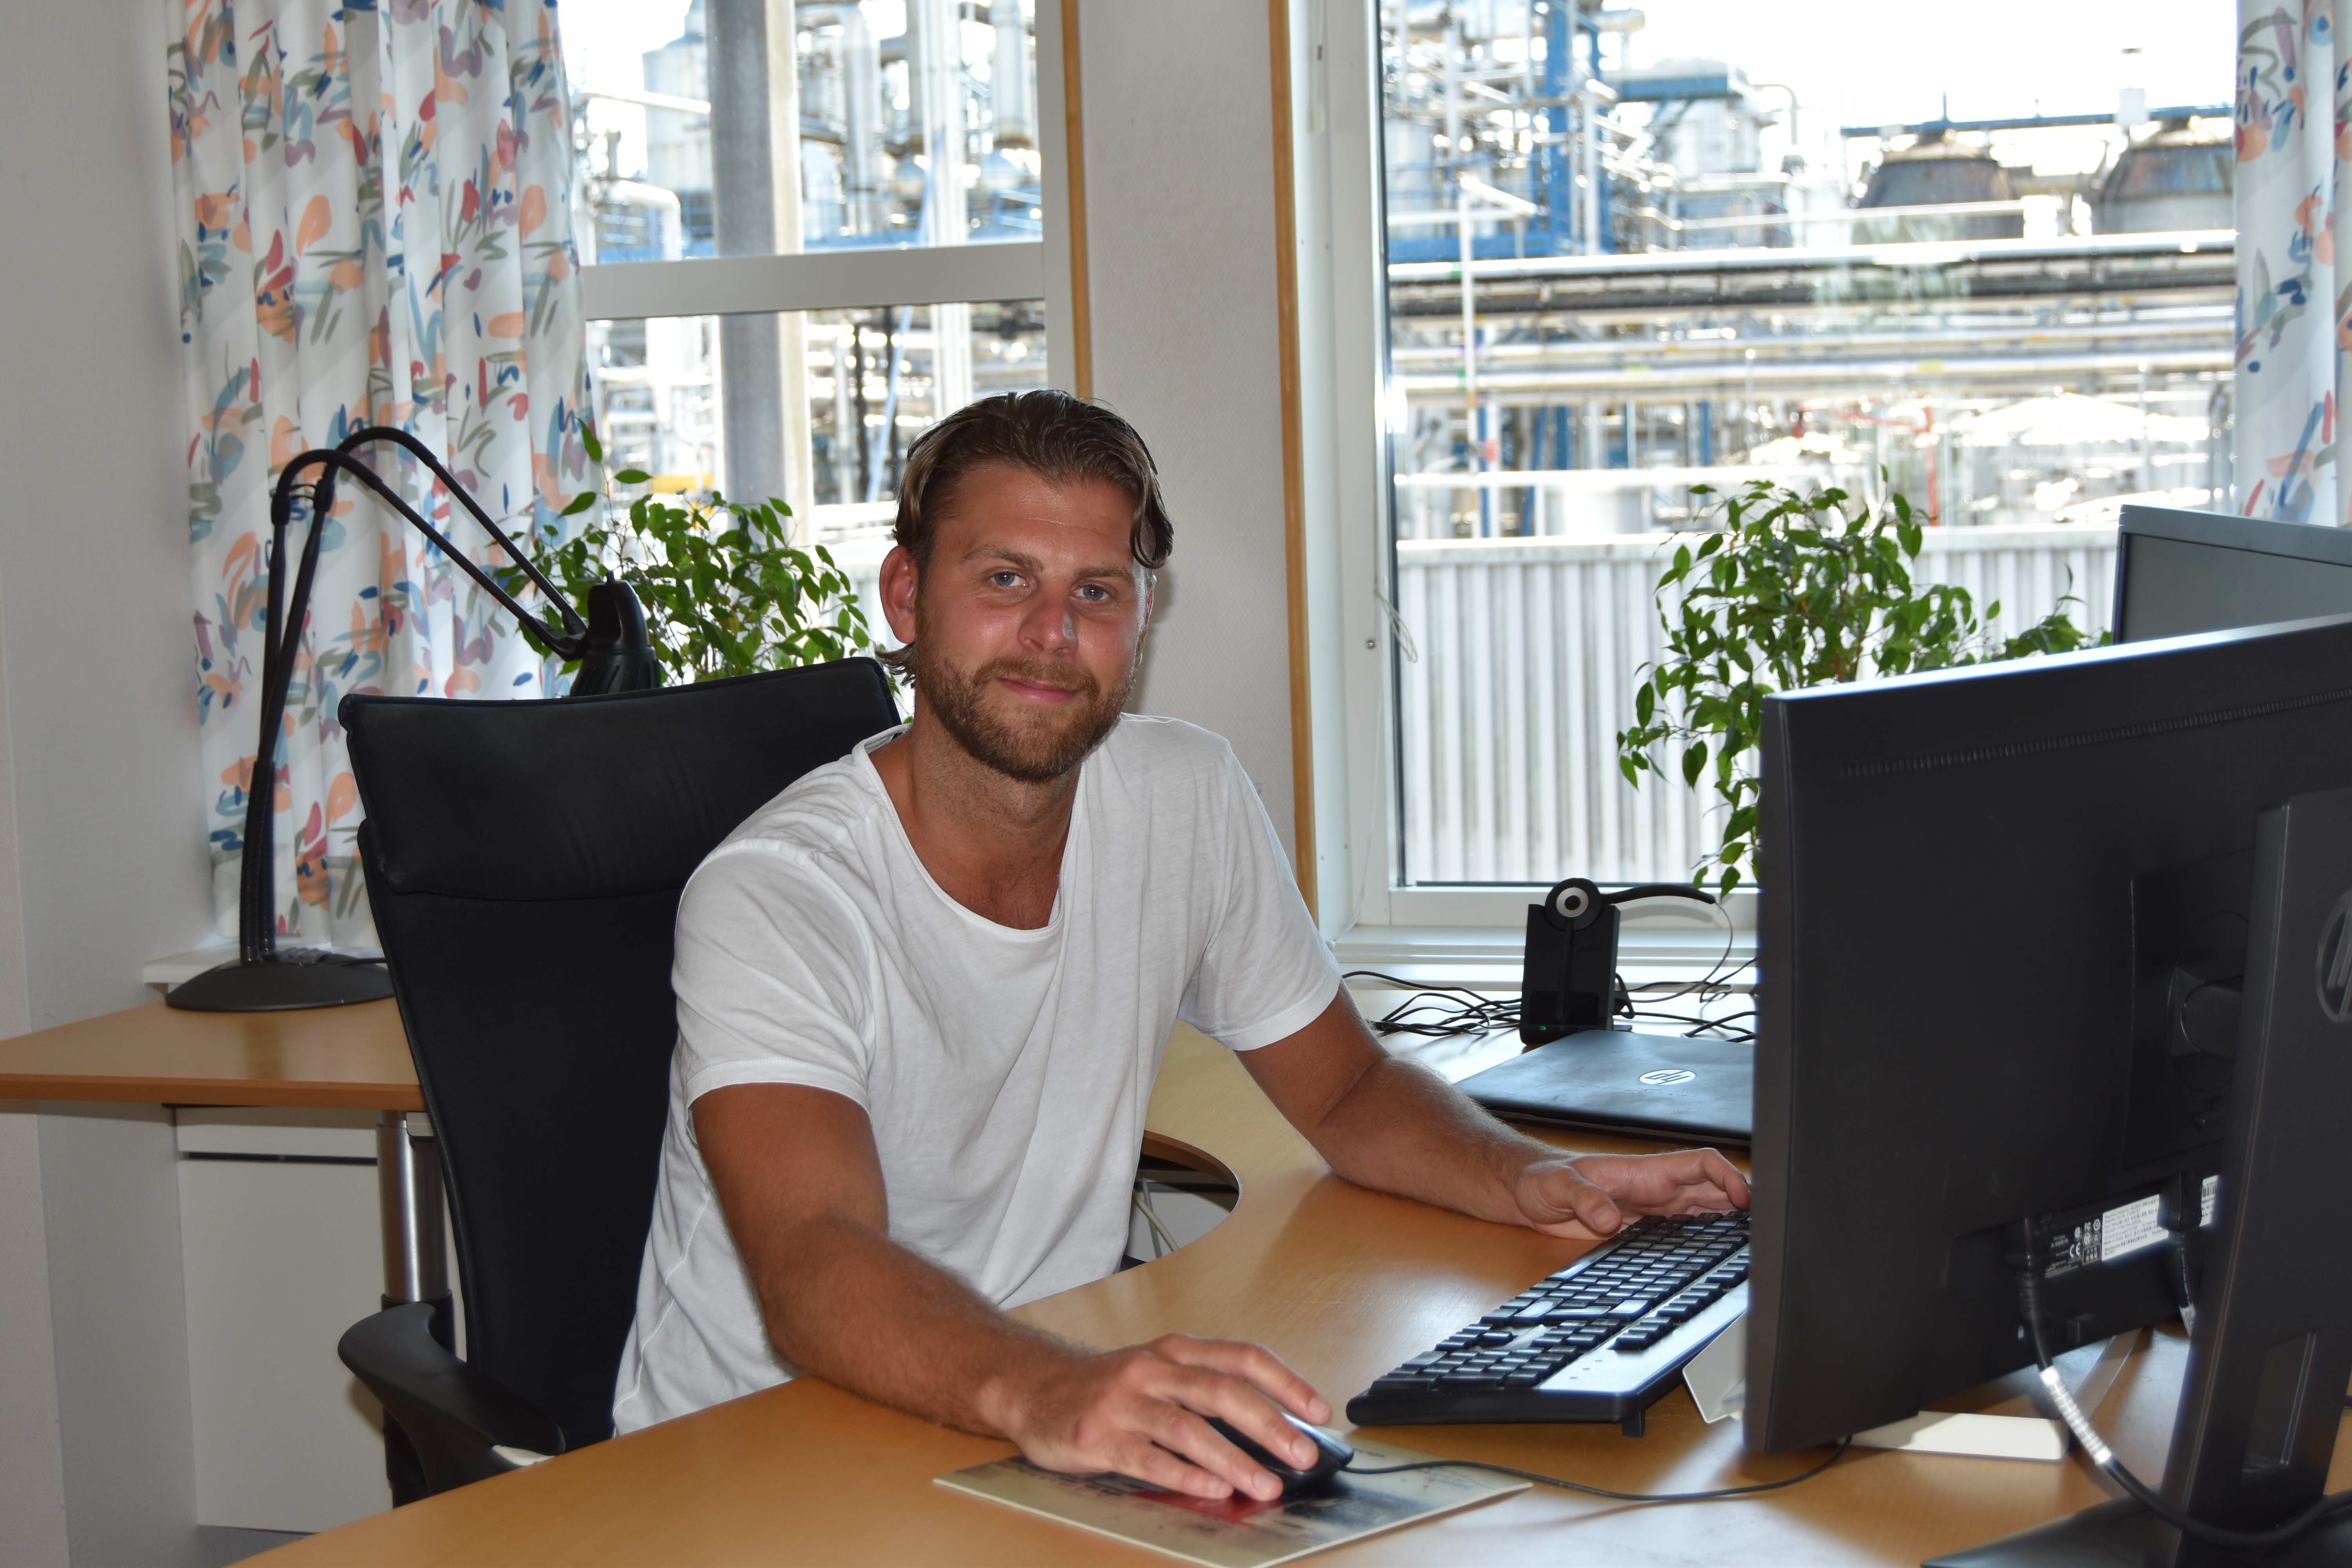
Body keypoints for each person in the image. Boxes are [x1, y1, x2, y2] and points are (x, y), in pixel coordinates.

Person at [610, 390, 1747, 1501]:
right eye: (1005, 579)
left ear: (1142, 618)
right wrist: (1051, 1391)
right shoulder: (782, 894)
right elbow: (814, 1258)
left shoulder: (1183, 793)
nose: (1052, 636)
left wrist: (1537, 1181)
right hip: (760, 1463)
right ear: (907, 594)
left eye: (1095, 592)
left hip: (1027, 1424)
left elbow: (1345, 1088)